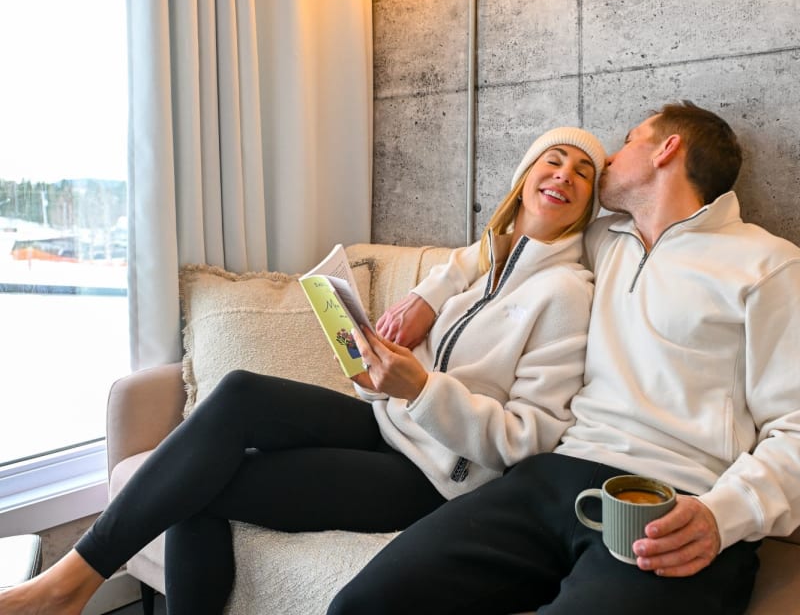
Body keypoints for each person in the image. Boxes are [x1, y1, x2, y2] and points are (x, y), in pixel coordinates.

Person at [0, 126, 606, 615]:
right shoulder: (482, 262)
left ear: (589, 203)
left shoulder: (566, 293)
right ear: (525, 176)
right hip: (389, 424)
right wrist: (381, 369)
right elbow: (460, 278)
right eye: (553, 161)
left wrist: (421, 388)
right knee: (237, 394)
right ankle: (70, 581)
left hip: (438, 478)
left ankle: (64, 589)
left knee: (197, 488)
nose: (565, 176)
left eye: (583, 174)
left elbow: (530, 441)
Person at [328, 101, 800, 615]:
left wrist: (722, 515)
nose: (608, 161)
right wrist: (428, 295)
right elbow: (504, 241)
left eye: (627, 140)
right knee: (361, 605)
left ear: (667, 149)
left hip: (674, 499)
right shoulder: (601, 242)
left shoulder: (767, 264)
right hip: (552, 477)